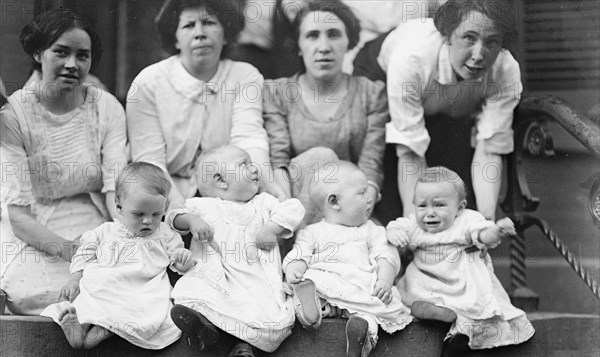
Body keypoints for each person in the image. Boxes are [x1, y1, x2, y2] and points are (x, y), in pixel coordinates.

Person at [0, 9, 128, 315]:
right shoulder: (13, 115)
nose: (72, 64)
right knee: (33, 290)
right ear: (38, 53)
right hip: (33, 224)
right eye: (61, 52)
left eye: (82, 56)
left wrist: (123, 235)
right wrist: (71, 251)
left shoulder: (107, 108)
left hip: (92, 213)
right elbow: (17, 215)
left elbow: (115, 188)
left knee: (119, 281)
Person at [355, 0, 521, 223]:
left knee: (457, 197)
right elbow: (411, 149)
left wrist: (486, 221)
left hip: (445, 103)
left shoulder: (506, 69)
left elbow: (489, 147)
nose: (479, 55)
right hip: (380, 72)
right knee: (396, 204)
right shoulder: (410, 59)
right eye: (469, 38)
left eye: (492, 42)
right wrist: (414, 224)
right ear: (448, 35)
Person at [127, 0, 282, 211]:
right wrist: (178, 208)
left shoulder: (245, 76)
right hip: (164, 190)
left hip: (231, 190)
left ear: (226, 33)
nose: (200, 33)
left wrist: (266, 182)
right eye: (188, 26)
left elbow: (249, 137)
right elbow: (150, 159)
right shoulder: (148, 83)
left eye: (209, 22)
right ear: (175, 39)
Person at [166, 145, 305, 357]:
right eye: (244, 164)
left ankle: (240, 343)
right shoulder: (203, 206)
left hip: (255, 277)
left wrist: (270, 228)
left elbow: (294, 208)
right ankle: (205, 327)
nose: (254, 169)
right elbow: (173, 217)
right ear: (221, 180)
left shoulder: (263, 203)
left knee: (259, 309)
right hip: (220, 275)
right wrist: (192, 221)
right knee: (199, 288)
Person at [386, 167, 535, 357]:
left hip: (460, 281)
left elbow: (483, 235)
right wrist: (393, 233)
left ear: (460, 207)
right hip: (425, 279)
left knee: (476, 310)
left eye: (439, 205)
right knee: (410, 294)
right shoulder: (414, 224)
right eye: (422, 206)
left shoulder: (467, 220)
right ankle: (428, 309)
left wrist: (497, 231)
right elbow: (397, 226)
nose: (429, 213)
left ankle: (457, 338)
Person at [40, 162, 195, 349]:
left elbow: (179, 264)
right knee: (93, 292)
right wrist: (74, 279)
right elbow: (84, 254)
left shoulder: (165, 235)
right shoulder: (106, 231)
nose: (148, 221)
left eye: (156, 214)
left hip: (144, 288)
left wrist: (182, 259)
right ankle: (78, 330)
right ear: (119, 207)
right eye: (139, 214)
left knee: (144, 307)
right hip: (107, 282)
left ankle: (93, 338)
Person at [263, 0, 388, 225]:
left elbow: (371, 165)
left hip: (350, 206)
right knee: (322, 157)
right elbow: (277, 162)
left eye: (334, 34)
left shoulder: (371, 93)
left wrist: (359, 213)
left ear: (349, 41)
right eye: (312, 36)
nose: (323, 47)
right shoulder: (277, 92)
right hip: (291, 206)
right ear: (298, 45)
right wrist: (286, 215)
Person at [283, 161, 412, 357]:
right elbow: (299, 255)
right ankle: (311, 309)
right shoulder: (311, 232)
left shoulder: (372, 229)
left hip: (359, 287)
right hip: (330, 284)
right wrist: (294, 272)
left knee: (371, 309)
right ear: (334, 201)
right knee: (310, 284)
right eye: (361, 193)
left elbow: (385, 255)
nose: (369, 198)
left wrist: (385, 281)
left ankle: (360, 334)